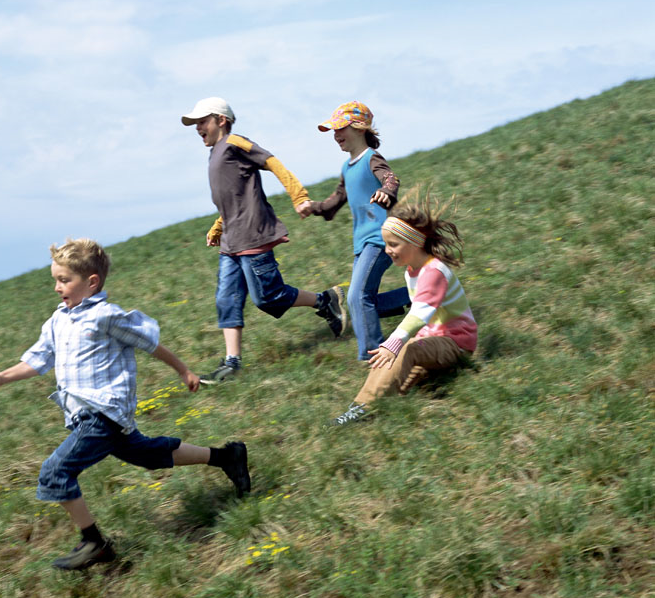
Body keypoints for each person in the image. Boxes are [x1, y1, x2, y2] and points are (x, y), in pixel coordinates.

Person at [0, 238, 251, 570]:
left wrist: (183, 370)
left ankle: (94, 542)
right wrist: (2, 377)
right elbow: (38, 359)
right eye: (55, 279)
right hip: (82, 415)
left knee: (55, 471)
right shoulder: (58, 321)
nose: (56, 287)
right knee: (148, 454)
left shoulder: (106, 316)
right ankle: (227, 457)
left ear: (91, 282)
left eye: (64, 280)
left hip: (103, 413)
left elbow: (150, 344)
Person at [181, 96, 347, 384]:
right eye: (195, 123)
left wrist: (299, 196)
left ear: (221, 120)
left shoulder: (236, 143)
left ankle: (325, 300)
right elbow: (233, 200)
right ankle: (232, 364)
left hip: (253, 236)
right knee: (226, 299)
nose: (197, 128)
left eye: (202, 121)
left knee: (267, 297)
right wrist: (218, 227)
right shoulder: (216, 152)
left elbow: (272, 162)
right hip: (231, 242)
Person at [331, 191, 477, 425]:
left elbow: (420, 312)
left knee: (403, 348)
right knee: (398, 371)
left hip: (457, 343)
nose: (387, 250)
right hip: (432, 340)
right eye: (386, 244)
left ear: (416, 241)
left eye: (393, 244)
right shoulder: (412, 271)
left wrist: (394, 342)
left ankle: (361, 409)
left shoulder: (434, 271)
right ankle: (361, 406)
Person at [309, 101, 410, 361]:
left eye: (340, 129)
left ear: (359, 128)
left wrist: (387, 192)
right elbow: (336, 201)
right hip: (361, 243)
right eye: (333, 130)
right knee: (360, 303)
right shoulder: (347, 167)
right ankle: (419, 296)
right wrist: (315, 207)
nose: (335, 135)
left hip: (380, 239)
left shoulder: (371, 159)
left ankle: (371, 357)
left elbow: (391, 178)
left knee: (356, 297)